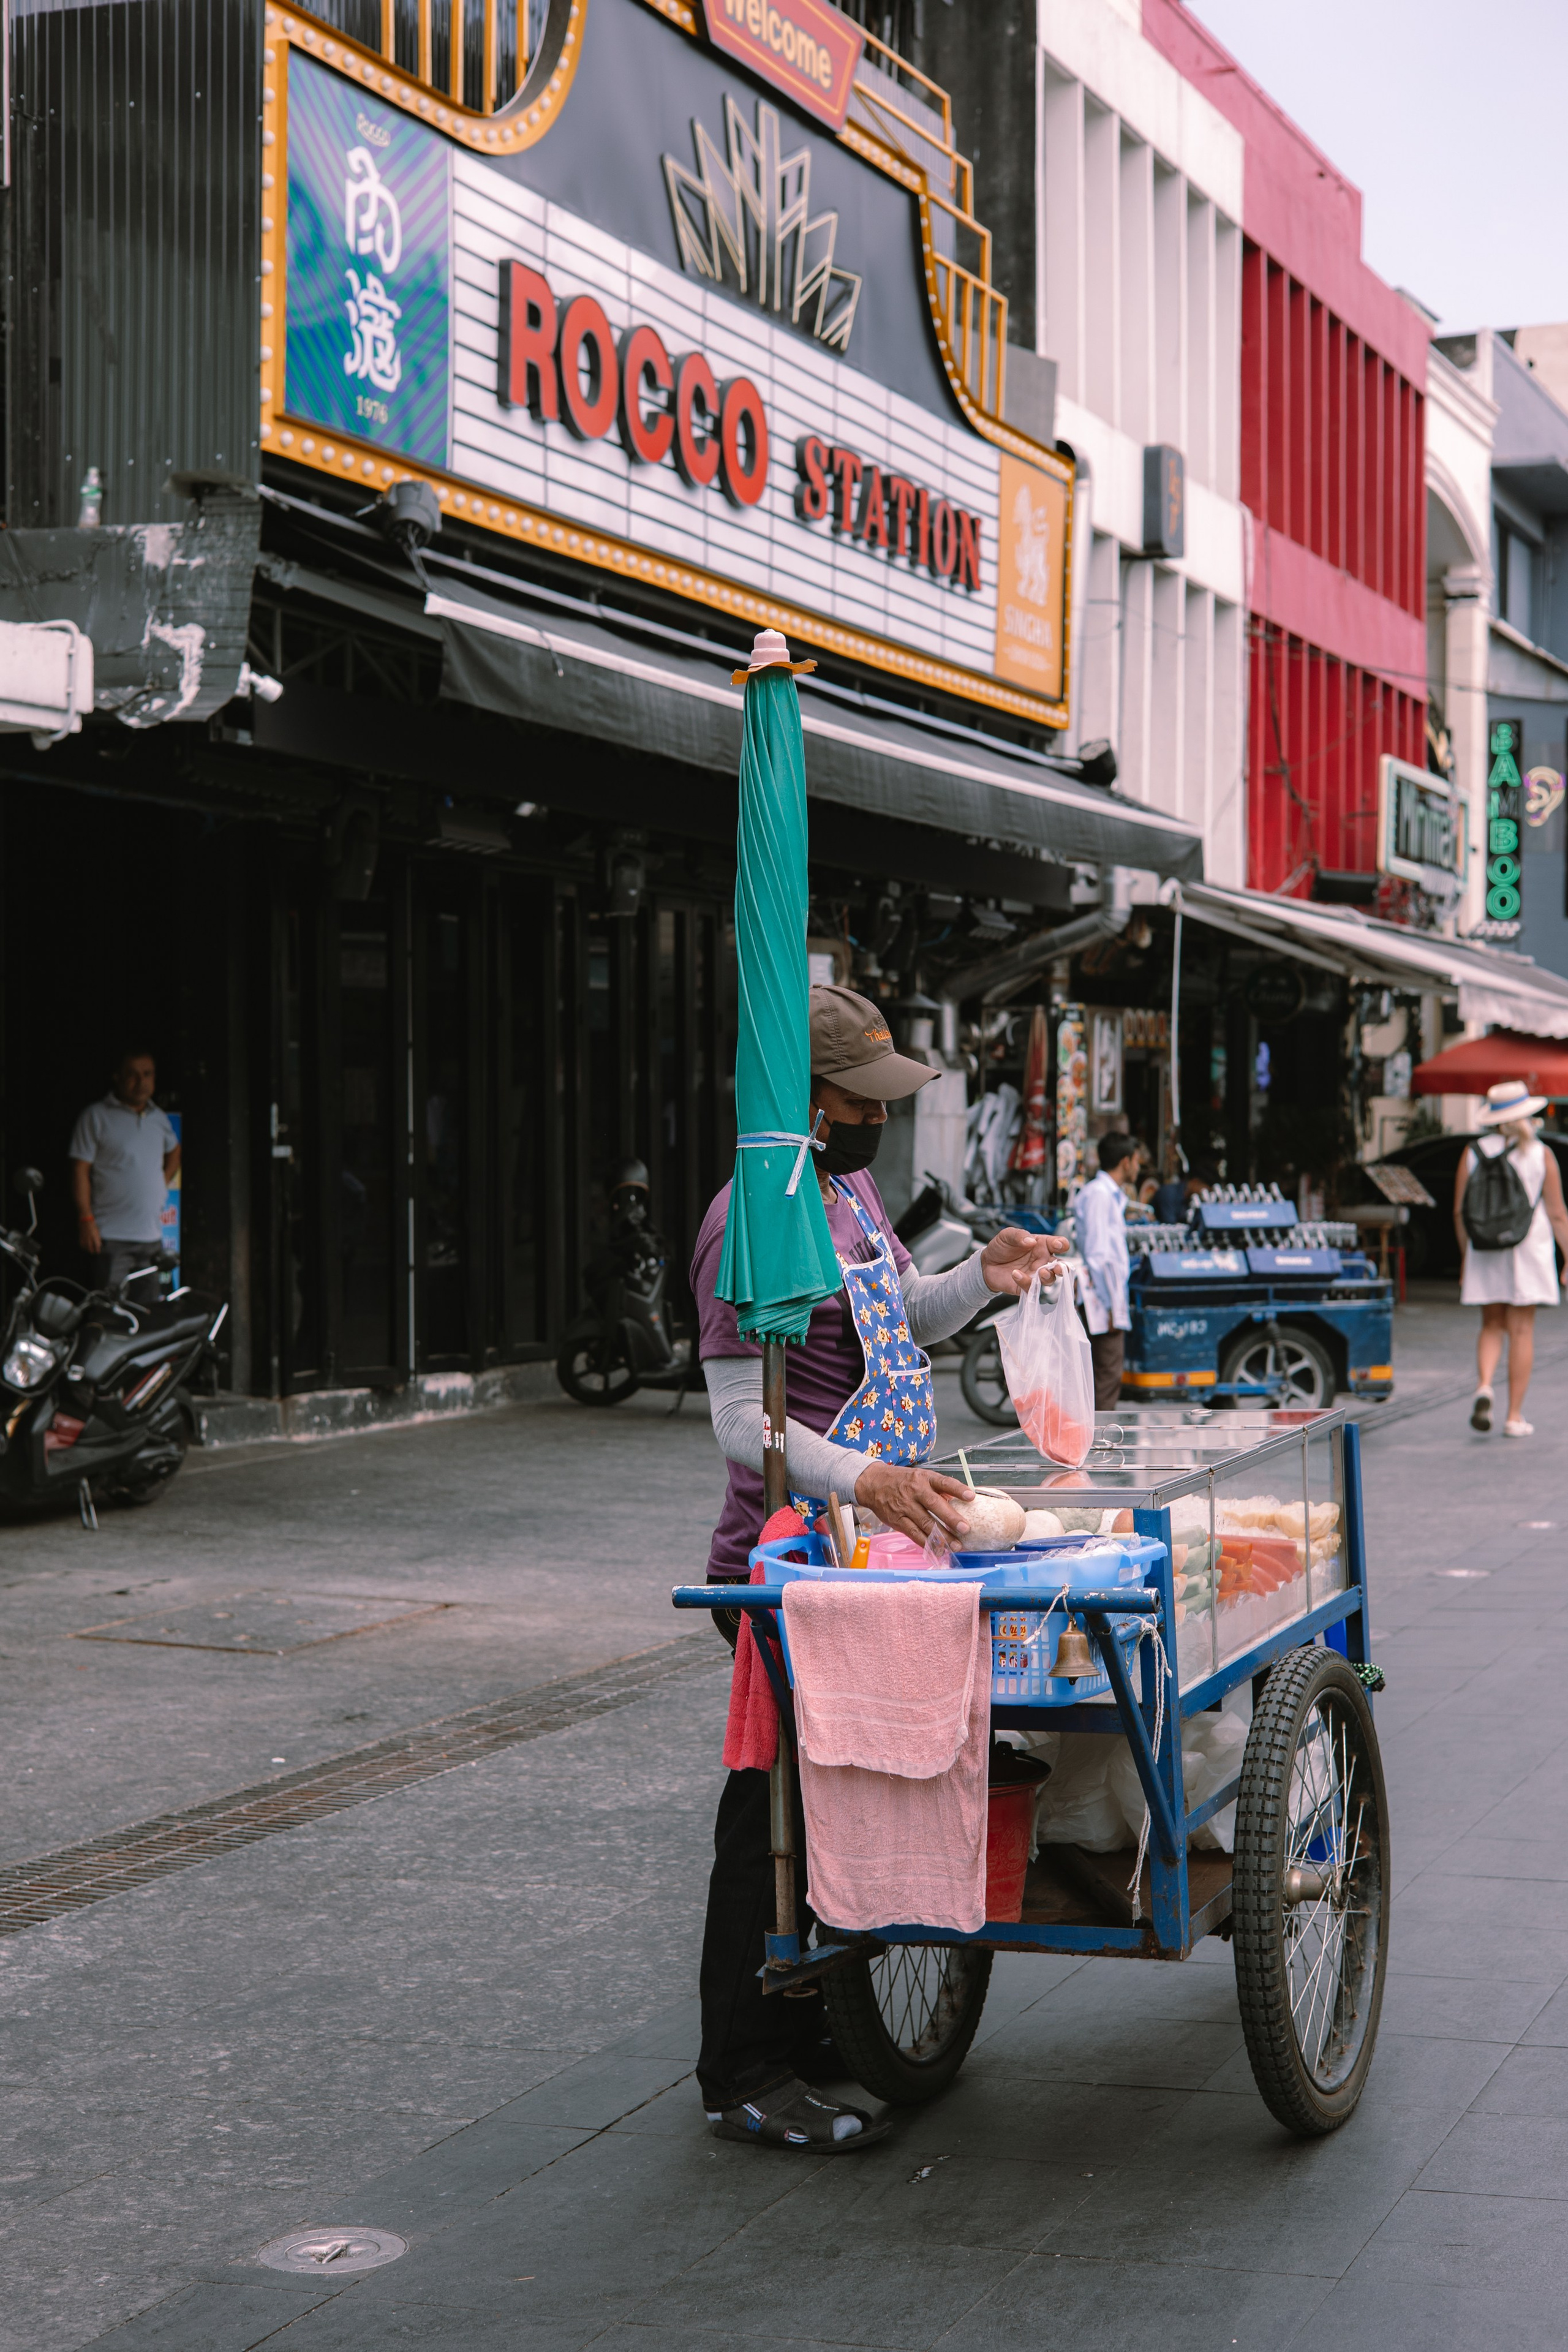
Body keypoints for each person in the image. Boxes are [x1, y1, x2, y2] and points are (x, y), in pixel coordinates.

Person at [691, 983, 1068, 2153]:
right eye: (866, 1099)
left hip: (880, 1552)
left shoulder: (848, 1191)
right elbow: (728, 1419)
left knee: (843, 1787)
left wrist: (987, 1278)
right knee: (774, 1806)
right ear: (810, 1100)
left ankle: (813, 2028)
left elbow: (900, 1311)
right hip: (794, 1559)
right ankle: (745, 2065)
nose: (880, 1119)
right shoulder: (746, 1221)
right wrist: (865, 1482)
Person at [1455, 1080, 1568, 1438]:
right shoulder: (1540, 1154)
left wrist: (1464, 1257)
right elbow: (1557, 1213)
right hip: (1528, 1248)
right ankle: (1514, 1416)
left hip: (1485, 1249)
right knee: (1522, 1330)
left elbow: (1460, 1212)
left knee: (1491, 1323)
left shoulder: (1473, 1151)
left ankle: (1485, 1385)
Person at [68, 1049, 180, 1291]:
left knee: (149, 1317)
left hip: (151, 1236)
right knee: (109, 1311)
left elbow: (175, 1150)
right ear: (117, 1077)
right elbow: (80, 1170)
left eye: (147, 1074)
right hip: (111, 1236)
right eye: (133, 1075)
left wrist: (162, 1182)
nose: (141, 1082)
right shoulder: (96, 1117)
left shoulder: (158, 1118)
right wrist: (86, 1218)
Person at [1076, 1129, 1136, 1410]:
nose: (1137, 1167)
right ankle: (1098, 1443)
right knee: (1107, 1375)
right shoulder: (1100, 1195)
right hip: (1101, 1299)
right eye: (1136, 1161)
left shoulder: (1105, 1195)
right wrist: (1112, 1305)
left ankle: (1096, 1441)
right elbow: (1099, 1255)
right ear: (1126, 1162)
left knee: (1103, 1375)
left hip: (1103, 1296)